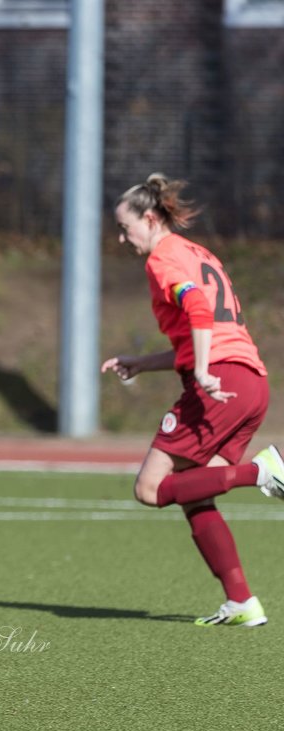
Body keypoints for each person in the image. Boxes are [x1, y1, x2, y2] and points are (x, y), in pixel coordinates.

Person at [102, 173, 284, 627]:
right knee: (195, 495)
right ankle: (242, 601)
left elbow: (199, 310)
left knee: (148, 488)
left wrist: (202, 371)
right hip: (250, 383)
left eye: (126, 228)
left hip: (218, 382)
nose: (123, 239)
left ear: (149, 218)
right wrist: (145, 363)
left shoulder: (162, 259)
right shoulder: (198, 252)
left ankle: (262, 471)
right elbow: (203, 330)